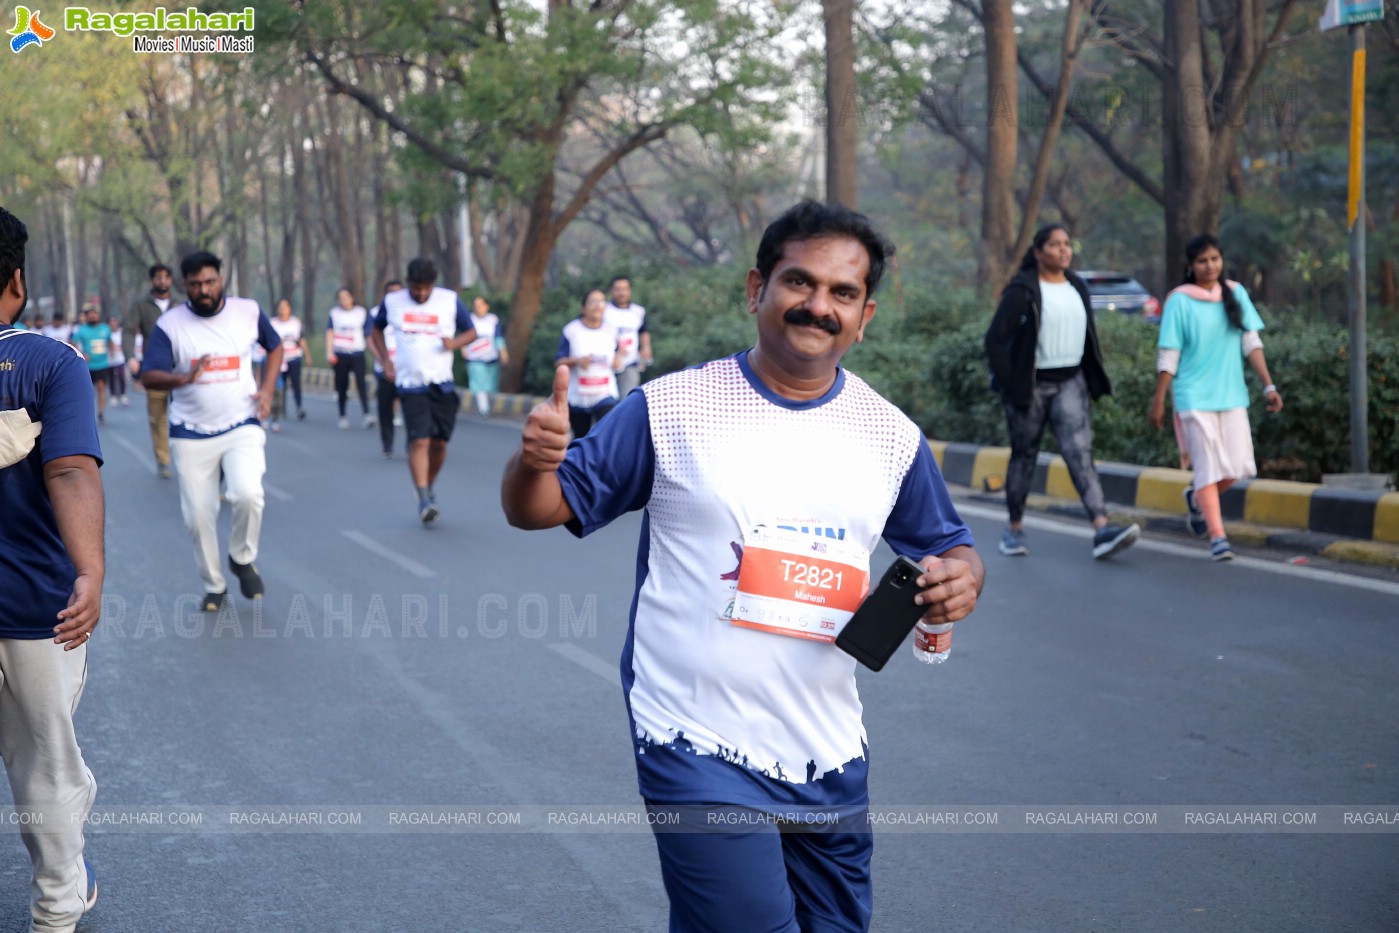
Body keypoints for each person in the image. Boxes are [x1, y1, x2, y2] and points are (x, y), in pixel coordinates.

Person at [502, 200, 984, 933]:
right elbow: (537, 506)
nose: (817, 306)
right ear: (757, 287)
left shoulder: (889, 436)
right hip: (694, 738)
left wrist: (961, 579)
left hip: (826, 750)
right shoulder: (670, 410)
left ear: (865, 315)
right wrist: (532, 460)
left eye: (841, 293)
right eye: (799, 282)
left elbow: (947, 544)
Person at [0, 206, 104, 933]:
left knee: (43, 759)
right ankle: (56, 909)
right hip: (38, 605)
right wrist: (91, 573)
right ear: (17, 281)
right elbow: (68, 469)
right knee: (47, 763)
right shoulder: (49, 363)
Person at [984, 223, 1141, 560]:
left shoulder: (1077, 286)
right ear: (1039, 252)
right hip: (1031, 386)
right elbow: (995, 340)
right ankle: (1013, 530)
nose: (1063, 250)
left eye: (1067, 244)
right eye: (1054, 244)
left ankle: (1102, 528)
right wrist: (1012, 383)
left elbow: (1089, 338)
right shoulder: (1022, 291)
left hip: (1071, 381)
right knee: (1024, 455)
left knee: (1080, 454)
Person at [139, 250, 282, 611]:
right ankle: (214, 585)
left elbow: (276, 347)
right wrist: (184, 377)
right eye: (195, 285)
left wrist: (266, 391)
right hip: (190, 432)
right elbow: (149, 373)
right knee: (198, 516)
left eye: (210, 281)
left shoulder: (247, 311)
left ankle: (242, 556)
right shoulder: (170, 324)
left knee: (248, 494)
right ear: (184, 286)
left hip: (242, 423)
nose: (204, 289)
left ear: (221, 279)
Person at [1150, 233, 1284, 561]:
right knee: (1207, 467)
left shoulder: (1235, 293)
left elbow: (1251, 343)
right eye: (1202, 261)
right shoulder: (1179, 300)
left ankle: (1196, 498)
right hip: (1192, 396)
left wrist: (1269, 385)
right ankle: (1218, 537)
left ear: (1221, 260)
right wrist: (1159, 400)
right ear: (1190, 265)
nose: (1209, 266)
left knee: (1238, 467)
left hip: (1231, 394)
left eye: (1214, 259)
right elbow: (1170, 354)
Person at [368, 259, 476, 524]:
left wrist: (453, 343)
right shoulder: (393, 301)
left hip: (443, 382)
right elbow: (375, 329)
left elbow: (472, 332)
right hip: (410, 383)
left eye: (426, 288)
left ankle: (427, 485)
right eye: (416, 288)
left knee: (439, 443)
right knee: (419, 440)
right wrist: (385, 359)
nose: (421, 294)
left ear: (433, 285)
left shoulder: (449, 300)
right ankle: (424, 498)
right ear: (408, 284)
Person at [124, 263, 176, 478]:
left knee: (189, 416)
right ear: (152, 280)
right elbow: (129, 330)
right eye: (158, 277)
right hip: (154, 368)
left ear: (171, 280)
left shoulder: (181, 303)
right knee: (158, 417)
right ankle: (163, 459)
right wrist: (131, 357)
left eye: (166, 277)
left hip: (182, 367)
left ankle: (191, 459)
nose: (162, 281)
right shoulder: (141, 305)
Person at [555, 289, 622, 439]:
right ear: (583, 307)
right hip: (579, 396)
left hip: (605, 393)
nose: (598, 306)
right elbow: (559, 362)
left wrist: (618, 360)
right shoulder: (571, 330)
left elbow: (617, 354)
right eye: (593, 302)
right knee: (581, 439)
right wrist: (577, 361)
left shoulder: (611, 330)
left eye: (602, 302)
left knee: (607, 435)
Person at [326, 286, 374, 430]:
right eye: (340, 298)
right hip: (340, 354)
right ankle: (342, 416)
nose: (343, 300)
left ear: (352, 297)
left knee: (361, 383)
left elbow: (369, 334)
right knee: (342, 385)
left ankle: (366, 414)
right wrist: (329, 352)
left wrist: (374, 352)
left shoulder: (361, 313)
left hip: (357, 353)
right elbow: (329, 332)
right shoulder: (334, 313)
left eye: (346, 297)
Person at [369, 280, 404, 458]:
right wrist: (382, 359)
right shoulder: (376, 313)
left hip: (407, 370)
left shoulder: (411, 311)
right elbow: (371, 337)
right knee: (385, 409)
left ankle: (415, 445)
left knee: (414, 409)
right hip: (385, 369)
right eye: (391, 293)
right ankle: (387, 445)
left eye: (399, 292)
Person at [604, 274, 651, 396]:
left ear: (629, 290)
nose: (621, 293)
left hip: (630, 361)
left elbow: (643, 330)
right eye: (618, 289)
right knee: (606, 402)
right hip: (606, 363)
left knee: (626, 398)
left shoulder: (638, 311)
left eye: (625, 289)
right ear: (612, 291)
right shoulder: (604, 311)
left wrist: (646, 347)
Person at [463, 295, 508, 418]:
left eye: (481, 305)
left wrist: (503, 352)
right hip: (474, 358)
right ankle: (483, 409)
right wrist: (463, 348)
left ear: (486, 306)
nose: (478, 308)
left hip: (491, 357)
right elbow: (463, 334)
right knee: (479, 383)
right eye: (476, 306)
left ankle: (486, 406)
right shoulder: (469, 319)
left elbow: (498, 337)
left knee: (490, 384)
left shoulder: (493, 320)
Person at [269, 298, 309, 430]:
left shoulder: (296, 323)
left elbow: (301, 340)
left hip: (294, 357)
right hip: (279, 360)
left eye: (285, 307)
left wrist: (307, 355)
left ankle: (299, 408)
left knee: (296, 383)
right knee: (281, 386)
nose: (283, 309)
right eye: (280, 307)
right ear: (277, 309)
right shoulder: (272, 323)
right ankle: (281, 410)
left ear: (289, 309)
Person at [70, 304, 112, 426]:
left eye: (95, 314)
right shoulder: (82, 330)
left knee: (101, 388)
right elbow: (73, 342)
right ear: (87, 317)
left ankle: (101, 413)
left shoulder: (105, 328)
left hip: (103, 364)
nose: (93, 316)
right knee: (87, 391)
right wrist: (81, 353)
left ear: (98, 316)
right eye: (90, 315)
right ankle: (86, 414)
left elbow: (109, 341)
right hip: (88, 366)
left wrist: (112, 349)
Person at [105, 316, 129, 406]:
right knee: (111, 378)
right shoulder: (106, 333)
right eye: (111, 322)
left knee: (121, 376)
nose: (113, 324)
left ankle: (123, 394)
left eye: (114, 321)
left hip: (120, 358)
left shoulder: (121, 332)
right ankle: (113, 395)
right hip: (110, 359)